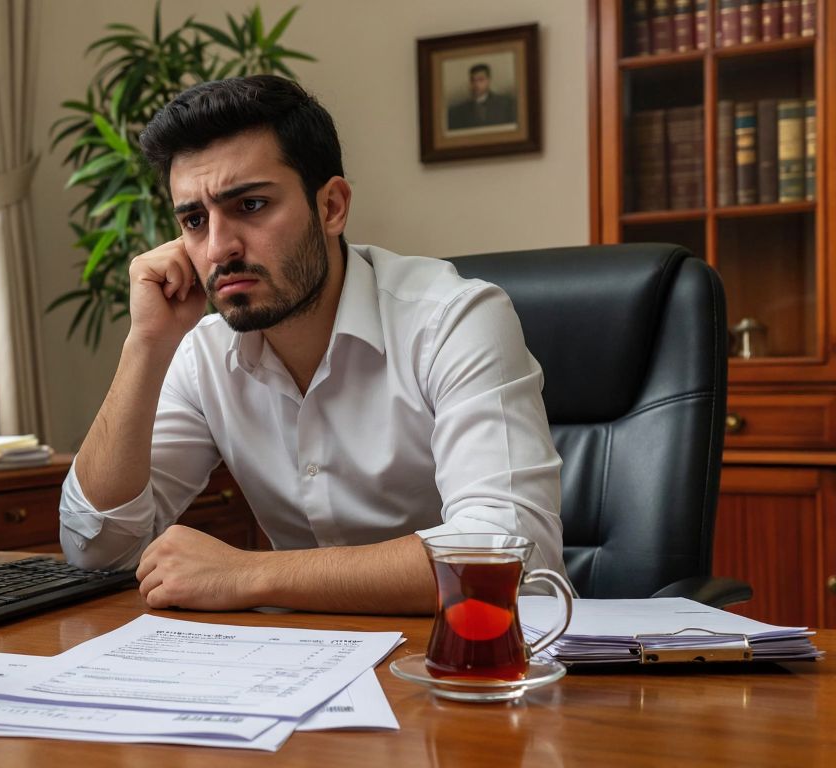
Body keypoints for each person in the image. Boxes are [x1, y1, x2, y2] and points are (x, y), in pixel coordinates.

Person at [58, 74, 562, 615]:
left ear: (331, 208)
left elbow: (507, 556)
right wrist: (146, 344)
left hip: (469, 660)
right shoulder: (202, 352)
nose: (219, 247)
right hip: (297, 670)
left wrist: (249, 575)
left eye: (250, 205)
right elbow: (96, 549)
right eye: (195, 220)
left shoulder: (454, 320)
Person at [446, 63, 517, 130]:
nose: (476, 84)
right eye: (473, 80)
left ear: (488, 80)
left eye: (481, 80)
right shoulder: (458, 111)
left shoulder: (506, 104)